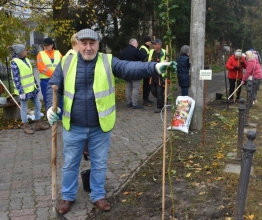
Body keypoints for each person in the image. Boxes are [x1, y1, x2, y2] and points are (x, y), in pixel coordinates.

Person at [45, 28, 176, 216]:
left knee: (99, 163)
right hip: (74, 125)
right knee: (70, 164)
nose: (88, 47)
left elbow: (130, 67)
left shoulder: (108, 61)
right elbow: (53, 86)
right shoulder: (67, 61)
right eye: (84, 43)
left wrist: (154, 68)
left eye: (92, 43)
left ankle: (98, 195)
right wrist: (51, 107)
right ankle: (68, 196)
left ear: (98, 44)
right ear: (78, 44)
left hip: (100, 126)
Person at [8, 44, 50, 134]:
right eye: (25, 50)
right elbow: (16, 78)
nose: (26, 51)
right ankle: (26, 126)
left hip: (32, 89)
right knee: (24, 108)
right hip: (24, 91)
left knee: (38, 105)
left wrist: (35, 84)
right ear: (20, 52)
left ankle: (38, 124)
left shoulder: (26, 60)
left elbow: (30, 74)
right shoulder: (15, 62)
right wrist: (20, 91)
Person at [37, 37, 63, 117]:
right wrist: (55, 75)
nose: (45, 47)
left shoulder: (58, 53)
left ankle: (61, 116)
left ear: (52, 45)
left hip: (57, 79)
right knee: (48, 99)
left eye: (47, 45)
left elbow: (63, 65)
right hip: (46, 80)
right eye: (44, 45)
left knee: (60, 98)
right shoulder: (40, 54)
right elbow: (41, 68)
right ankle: (51, 117)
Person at [120, 38, 147, 109]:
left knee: (128, 87)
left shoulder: (123, 52)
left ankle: (129, 102)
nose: (137, 45)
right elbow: (143, 56)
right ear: (134, 44)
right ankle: (134, 104)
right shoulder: (135, 51)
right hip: (134, 72)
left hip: (126, 72)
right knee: (136, 88)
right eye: (137, 43)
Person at [148, 39, 167, 113]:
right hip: (152, 74)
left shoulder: (164, 52)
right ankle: (163, 99)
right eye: (153, 44)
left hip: (160, 75)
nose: (154, 46)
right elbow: (148, 61)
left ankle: (160, 107)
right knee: (153, 91)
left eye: (155, 44)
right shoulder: (151, 52)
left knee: (159, 91)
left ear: (159, 45)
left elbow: (168, 63)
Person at [139, 36, 154, 106]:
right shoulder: (143, 49)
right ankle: (145, 100)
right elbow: (145, 59)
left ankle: (147, 98)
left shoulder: (146, 48)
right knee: (146, 85)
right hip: (145, 69)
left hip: (147, 69)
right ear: (147, 42)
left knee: (148, 85)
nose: (151, 43)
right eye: (150, 42)